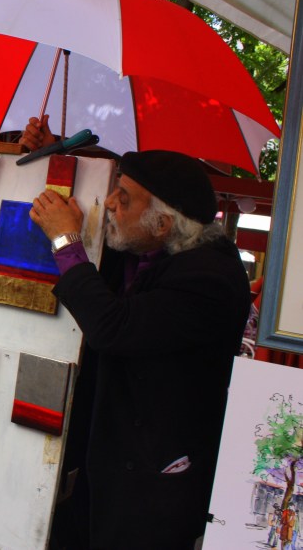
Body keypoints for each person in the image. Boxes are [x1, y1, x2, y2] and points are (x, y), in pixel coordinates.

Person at [25, 119, 251, 549]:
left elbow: (113, 327)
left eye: (123, 197)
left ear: (162, 223)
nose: (109, 203)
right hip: (103, 459)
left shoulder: (211, 279)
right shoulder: (149, 244)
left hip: (152, 484)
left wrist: (65, 242)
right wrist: (56, 156)